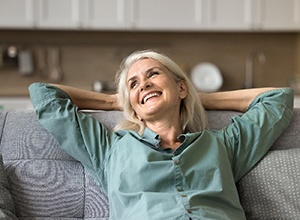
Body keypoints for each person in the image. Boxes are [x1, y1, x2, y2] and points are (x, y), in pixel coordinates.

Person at [29, 50, 294, 220]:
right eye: (133, 84)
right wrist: (114, 101)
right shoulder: (109, 150)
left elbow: (278, 99)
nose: (143, 83)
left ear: (180, 88)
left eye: (153, 74)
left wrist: (195, 97)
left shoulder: (221, 145)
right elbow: (44, 95)